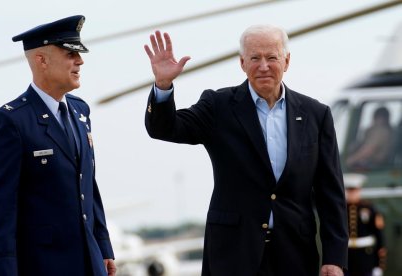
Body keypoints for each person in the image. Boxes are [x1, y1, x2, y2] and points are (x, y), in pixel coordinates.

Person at [144, 24, 348, 276]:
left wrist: (335, 258)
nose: (263, 66)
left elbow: (331, 194)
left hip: (295, 254)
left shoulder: (316, 115)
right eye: (254, 58)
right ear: (242, 63)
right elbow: (165, 128)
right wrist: (163, 86)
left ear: (286, 61)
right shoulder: (218, 106)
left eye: (271, 57)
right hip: (233, 254)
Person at [0, 15, 116, 276]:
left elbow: (88, 185)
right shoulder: (11, 120)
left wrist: (103, 247)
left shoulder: (80, 111)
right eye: (70, 53)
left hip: (90, 263)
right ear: (41, 60)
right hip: (42, 266)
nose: (79, 61)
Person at [344, 174, 387, 276]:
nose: (352, 193)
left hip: (365, 258)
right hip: (346, 259)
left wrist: (379, 266)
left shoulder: (369, 209)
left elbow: (379, 236)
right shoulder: (341, 210)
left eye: (354, 190)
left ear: (359, 191)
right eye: (349, 191)